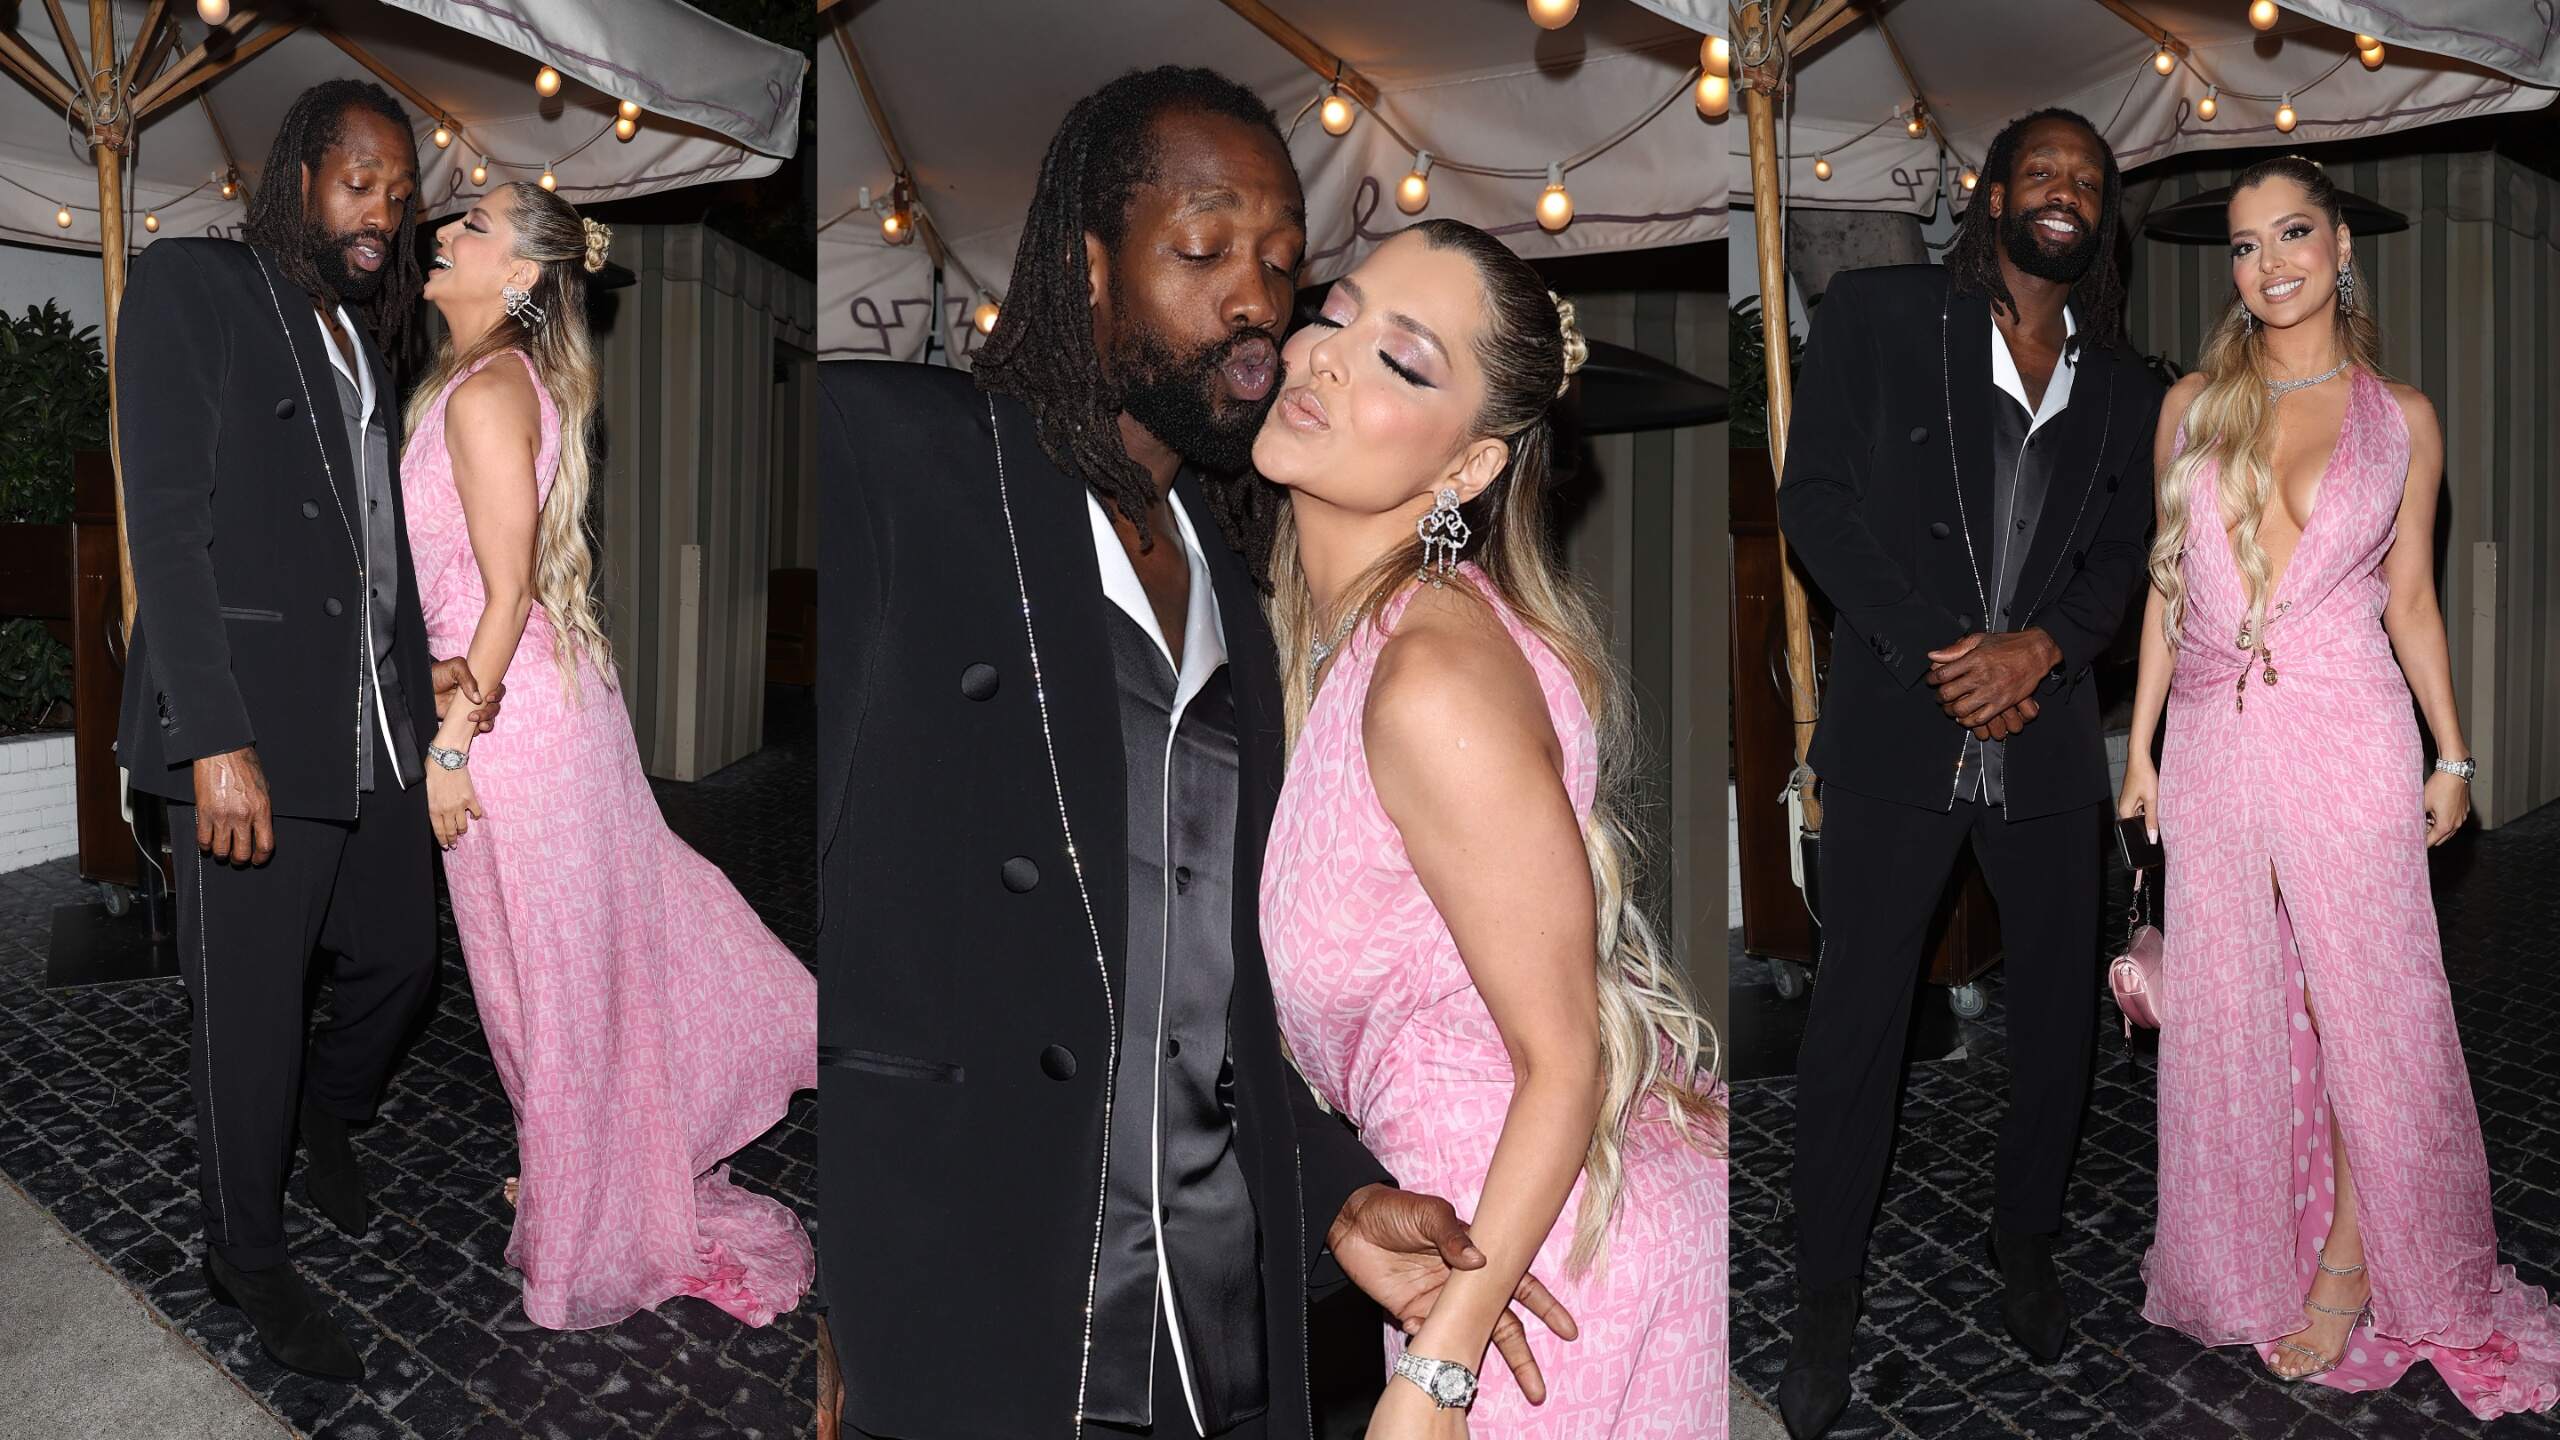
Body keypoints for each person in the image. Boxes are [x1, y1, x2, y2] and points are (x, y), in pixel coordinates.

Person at [815, 67, 1580, 1440]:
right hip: (989, 1294)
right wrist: (845, 1283)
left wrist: (1337, 1190)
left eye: (1284, 264)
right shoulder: (907, 463)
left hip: (1217, 1319)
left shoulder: (1243, 583)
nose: (1255, 301)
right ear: (1087, 265)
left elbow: (1212, 995)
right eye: (1203, 249)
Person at [1252, 220, 1727, 1437]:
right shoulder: (1349, 638)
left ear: (1466, 469)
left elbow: (1562, 1056)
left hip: (1537, 1285)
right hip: (1480, 1237)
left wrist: (1432, 1382)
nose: (1325, 359)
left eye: (1402, 362)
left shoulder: (1434, 679)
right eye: (1334, 313)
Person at [2122, 155, 2560, 1417]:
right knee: (2232, 1009)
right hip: (2210, 740)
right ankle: (2243, 1254)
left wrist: (2454, 751)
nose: (2271, 263)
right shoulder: (2194, 406)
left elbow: (2410, 600)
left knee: (2373, 1008)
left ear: (2342, 248)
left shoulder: (2401, 416)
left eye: (2295, 232)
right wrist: (2140, 748)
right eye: (2248, 245)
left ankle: (2346, 1267)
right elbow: (2165, 589)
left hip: (2350, 730)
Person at [1771, 108, 2164, 1438]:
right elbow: (1812, 497)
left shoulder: (2129, 386)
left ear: (2101, 220)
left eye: (2087, 181)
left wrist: (2043, 648)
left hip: (2047, 739)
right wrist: (1945, 648)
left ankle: (2028, 1251)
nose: (2064, 192)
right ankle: (1828, 1295)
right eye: (2040, 171)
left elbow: (2124, 561)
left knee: (2057, 1017)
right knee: (1857, 1020)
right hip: (1900, 717)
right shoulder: (1882, 317)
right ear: (1988, 195)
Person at [113, 79, 496, 1382]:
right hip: (247, 733)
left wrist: (420, 671)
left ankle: (327, 1115)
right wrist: (210, 734)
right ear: (298, 177)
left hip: (362, 735)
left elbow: (363, 549)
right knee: (249, 1013)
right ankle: (246, 1250)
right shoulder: (193, 289)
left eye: (399, 189)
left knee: (401, 957)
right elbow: (163, 522)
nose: (382, 206)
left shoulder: (359, 344)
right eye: (359, 177)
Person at [403, 179, 816, 1330]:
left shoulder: (488, 391)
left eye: (472, 225)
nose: (445, 233)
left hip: (511, 729)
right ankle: (581, 1172)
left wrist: (445, 751)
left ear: (523, 275)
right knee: (546, 984)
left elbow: (497, 598)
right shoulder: (475, 381)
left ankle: (587, 1214)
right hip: (529, 713)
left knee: (547, 986)